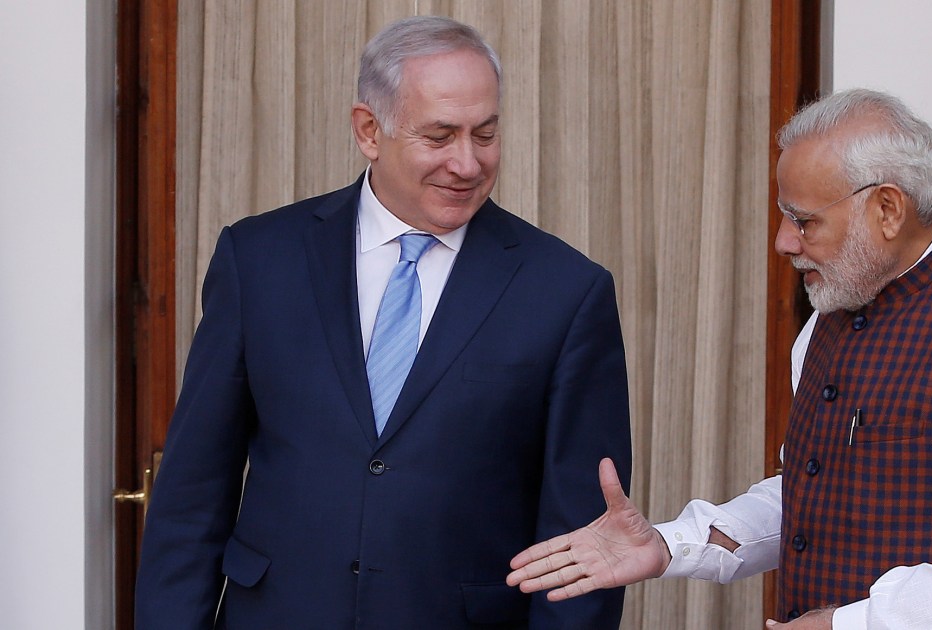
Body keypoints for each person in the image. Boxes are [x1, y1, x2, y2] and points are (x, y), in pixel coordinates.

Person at [507, 89, 932, 629]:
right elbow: (816, 491)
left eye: (804, 221)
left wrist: (852, 626)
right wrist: (670, 545)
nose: (784, 242)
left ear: (887, 209)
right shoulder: (830, 312)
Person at [136, 15, 631, 629]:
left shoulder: (566, 291)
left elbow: (583, 542)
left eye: (485, 134)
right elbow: (192, 493)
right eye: (440, 136)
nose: (467, 163)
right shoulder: (259, 260)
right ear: (369, 130)